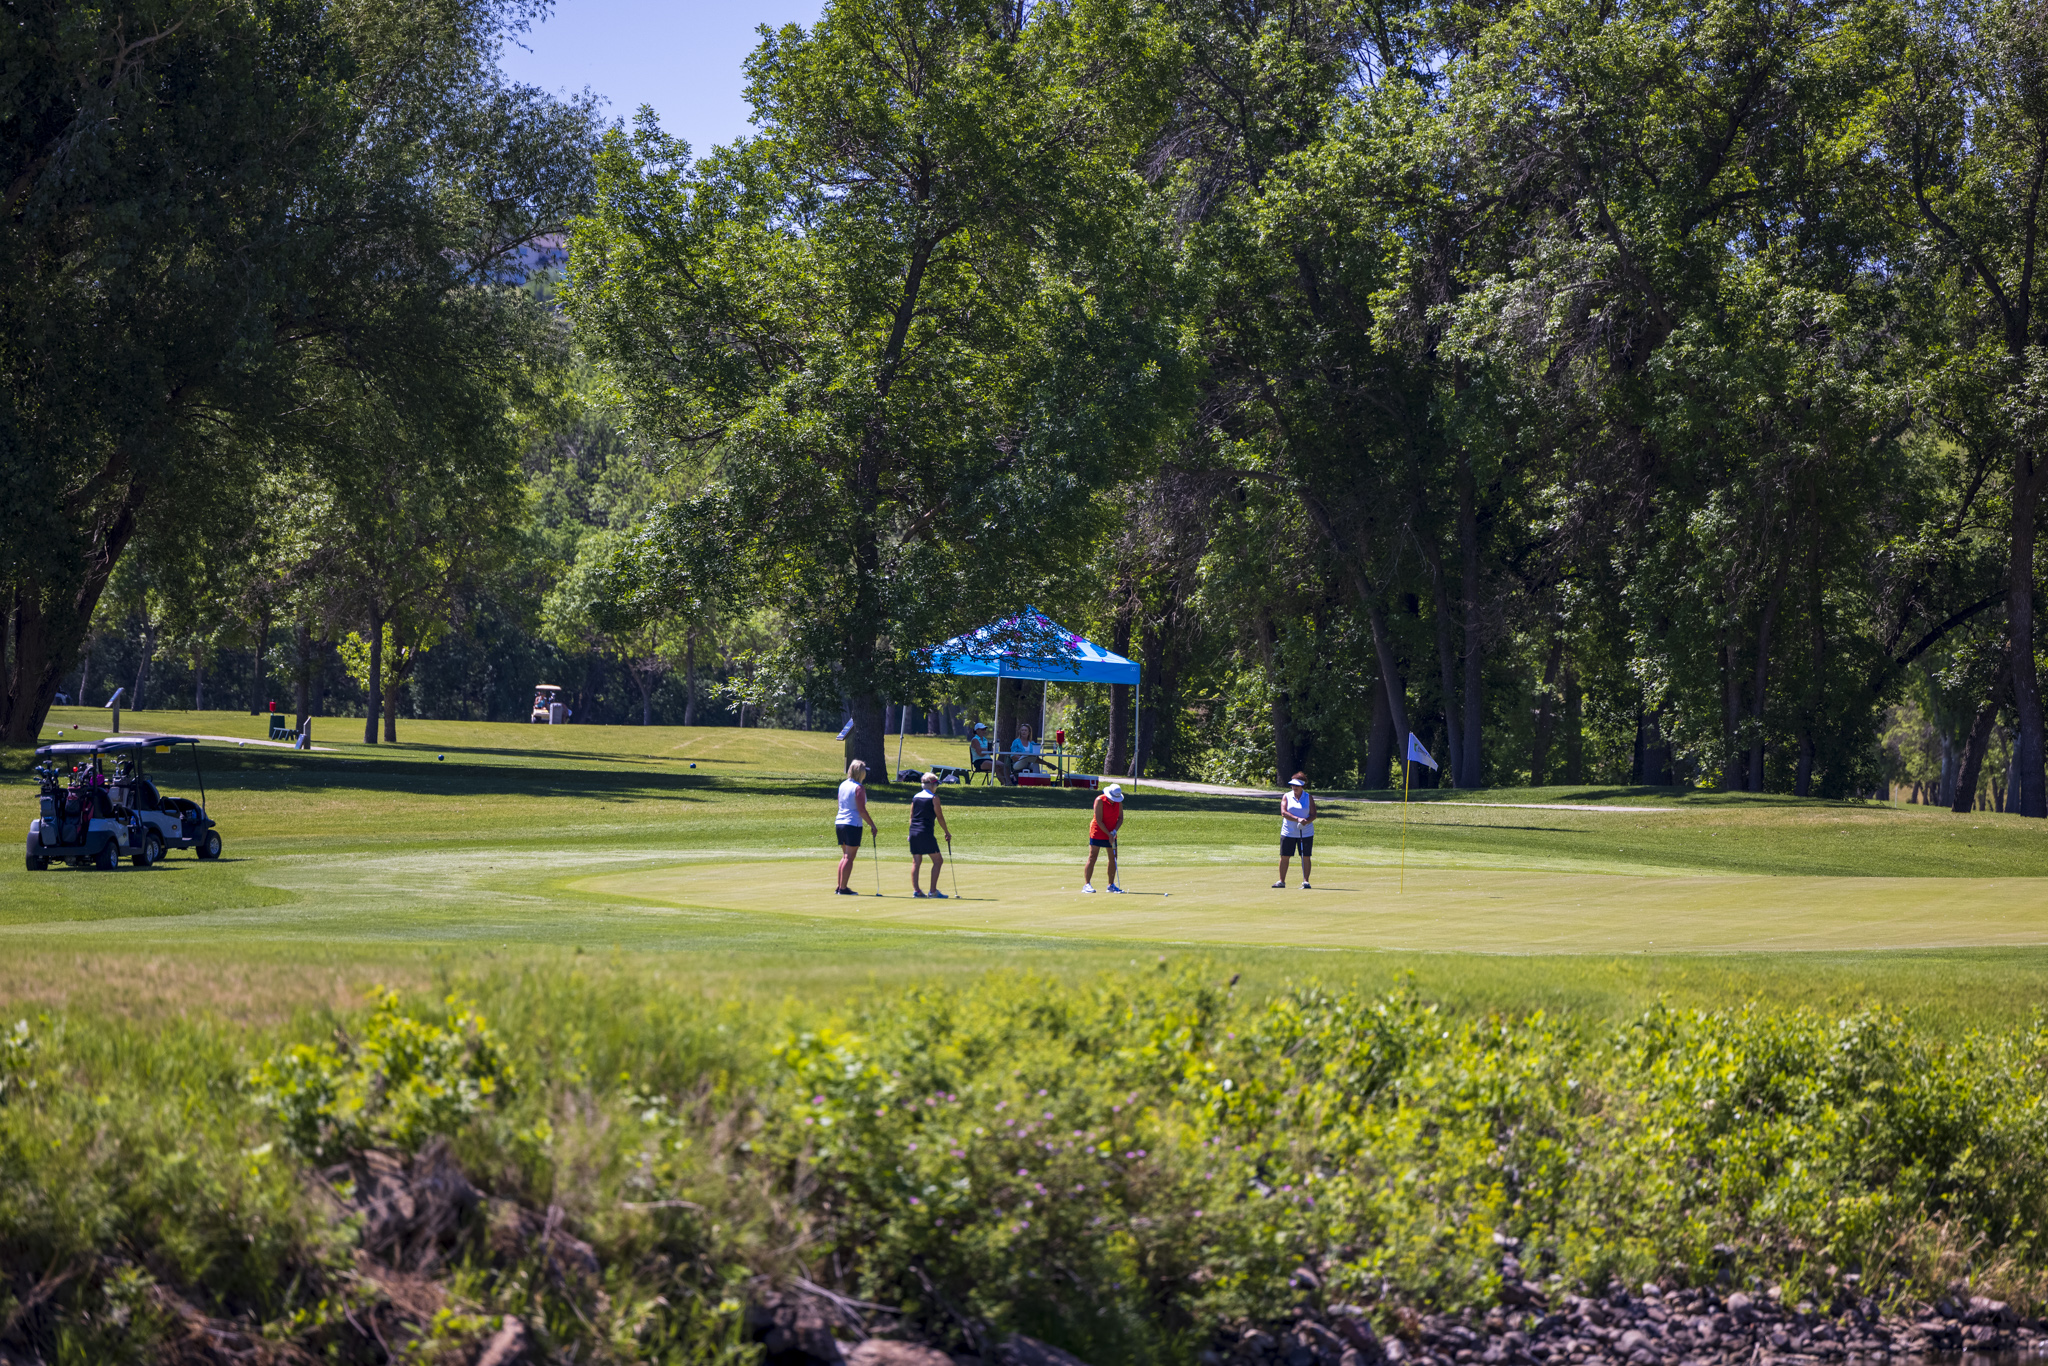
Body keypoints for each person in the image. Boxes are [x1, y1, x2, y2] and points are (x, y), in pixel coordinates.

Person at [834, 758, 879, 894]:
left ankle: (840, 886)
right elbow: (862, 810)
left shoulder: (843, 785)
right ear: (860, 773)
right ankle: (843, 888)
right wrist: (872, 825)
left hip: (840, 822)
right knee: (849, 857)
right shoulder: (859, 788)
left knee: (845, 856)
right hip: (852, 824)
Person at [907, 772, 952, 897]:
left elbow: (911, 816)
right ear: (932, 785)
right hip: (925, 832)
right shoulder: (934, 798)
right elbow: (940, 816)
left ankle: (917, 891)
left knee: (916, 861)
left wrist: (910, 832)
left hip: (914, 832)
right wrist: (946, 832)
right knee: (938, 861)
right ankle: (933, 891)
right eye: (936, 784)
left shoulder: (915, 797)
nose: (936, 787)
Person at [1275, 772, 1317, 890]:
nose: (1294, 787)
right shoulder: (1287, 796)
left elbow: (1313, 815)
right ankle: (1282, 881)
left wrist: (1305, 822)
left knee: (1305, 856)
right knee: (1284, 856)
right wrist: (1298, 819)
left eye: (1297, 785)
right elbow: (1284, 813)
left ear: (1302, 786)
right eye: (1293, 785)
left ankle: (1306, 881)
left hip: (1306, 832)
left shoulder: (1308, 797)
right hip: (1288, 831)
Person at [1082, 783, 1124, 893]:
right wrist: (1108, 834)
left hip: (1112, 832)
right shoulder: (1100, 800)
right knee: (1093, 857)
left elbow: (1120, 818)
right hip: (1098, 832)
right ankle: (1087, 885)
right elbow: (1099, 820)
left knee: (1113, 858)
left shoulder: (1118, 802)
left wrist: (1114, 832)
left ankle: (1111, 885)